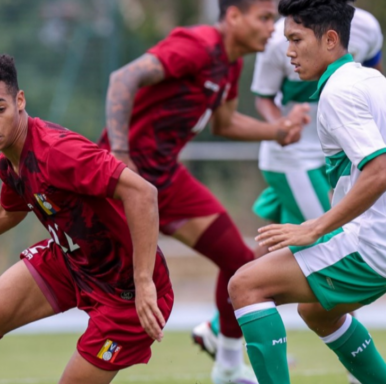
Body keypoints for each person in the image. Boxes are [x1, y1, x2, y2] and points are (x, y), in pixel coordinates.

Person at [0, 51, 174, 384]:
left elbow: (142, 193)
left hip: (126, 292)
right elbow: (8, 209)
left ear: (20, 101)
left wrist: (144, 280)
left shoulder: (58, 152)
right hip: (72, 263)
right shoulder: (10, 163)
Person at [97, 0, 309, 383]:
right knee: (72, 273)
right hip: (121, 180)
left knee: (240, 263)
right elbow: (123, 79)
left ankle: (227, 367)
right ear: (232, 17)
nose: (271, 29)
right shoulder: (197, 46)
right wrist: (120, 154)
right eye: (263, 18)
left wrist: (277, 131)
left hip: (166, 182)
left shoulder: (230, 63)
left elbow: (225, 124)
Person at [191, 5, 383, 382]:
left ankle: (224, 351)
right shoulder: (369, 80)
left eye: (296, 40)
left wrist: (315, 229)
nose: (288, 51)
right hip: (377, 237)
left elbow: (380, 170)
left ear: (330, 39)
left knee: (245, 285)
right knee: (317, 311)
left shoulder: (338, 93)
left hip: (374, 243)